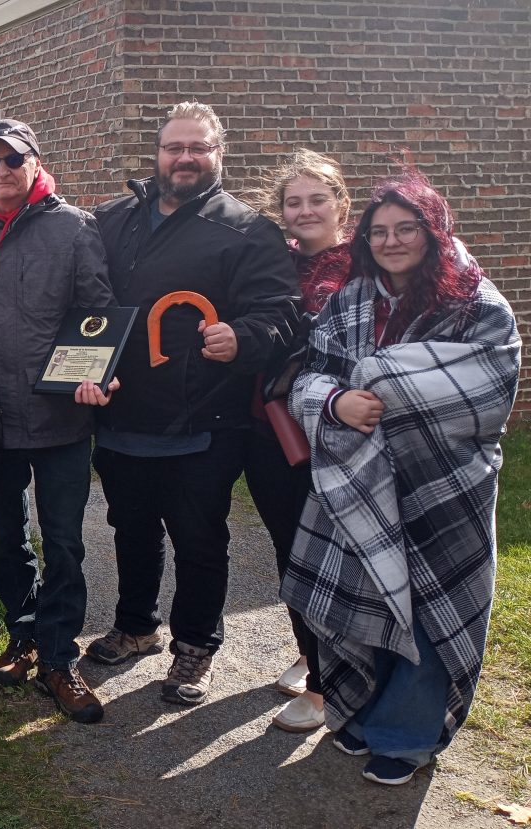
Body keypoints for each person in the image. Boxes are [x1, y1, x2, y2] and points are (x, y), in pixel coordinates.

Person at [283, 169, 520, 785]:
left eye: (406, 228)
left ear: (433, 231)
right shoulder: (351, 299)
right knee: (366, 601)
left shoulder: (477, 303)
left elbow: (487, 390)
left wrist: (376, 382)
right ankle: (360, 713)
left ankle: (406, 737)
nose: (391, 241)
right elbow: (311, 376)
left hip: (448, 485)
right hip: (361, 479)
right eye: (379, 231)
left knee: (431, 610)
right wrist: (337, 404)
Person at [87, 102, 298, 707]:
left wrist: (245, 338)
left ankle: (196, 649)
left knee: (199, 538)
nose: (184, 158)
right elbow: (85, 306)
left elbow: (283, 314)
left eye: (197, 148)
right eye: (173, 147)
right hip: (123, 415)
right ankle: (136, 626)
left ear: (218, 154)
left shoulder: (247, 229)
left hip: (204, 420)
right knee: (130, 527)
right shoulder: (112, 220)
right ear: (156, 154)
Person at [0, 119, 116, 724]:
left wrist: (101, 371)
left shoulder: (73, 229)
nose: (0, 172)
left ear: (35, 163)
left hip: (60, 416)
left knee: (65, 540)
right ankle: (21, 634)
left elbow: (96, 312)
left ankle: (57, 655)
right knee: (6, 538)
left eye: (11, 160)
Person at [245, 149, 352, 733]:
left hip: (339, 433)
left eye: (318, 198)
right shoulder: (273, 260)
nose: (305, 210)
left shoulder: (366, 264)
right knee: (292, 550)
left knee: (333, 555)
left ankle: (327, 687)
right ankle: (313, 656)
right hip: (272, 431)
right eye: (294, 201)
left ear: (340, 203)